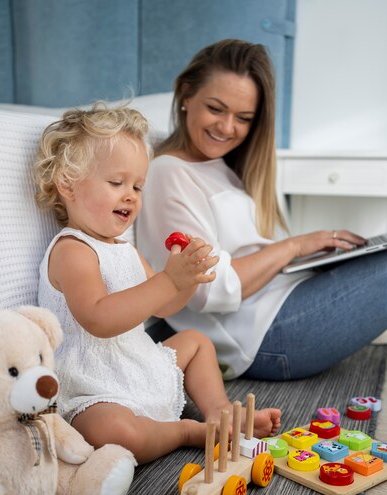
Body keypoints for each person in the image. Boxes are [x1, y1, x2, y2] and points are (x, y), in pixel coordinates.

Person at [34, 102, 281, 464]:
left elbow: (165, 305)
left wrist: (186, 279)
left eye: (137, 185)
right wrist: (168, 280)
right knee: (114, 433)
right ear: (68, 185)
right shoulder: (73, 250)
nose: (131, 195)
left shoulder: (125, 249)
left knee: (196, 343)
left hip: (138, 362)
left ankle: (219, 414)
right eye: (116, 182)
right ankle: (188, 431)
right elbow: (99, 319)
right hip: (94, 384)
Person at [137, 39, 387, 381]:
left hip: (285, 303)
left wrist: (309, 257)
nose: (227, 128)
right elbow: (206, 288)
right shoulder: (169, 172)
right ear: (185, 95)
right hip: (259, 337)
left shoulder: (223, 168)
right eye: (215, 108)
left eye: (243, 118)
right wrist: (294, 247)